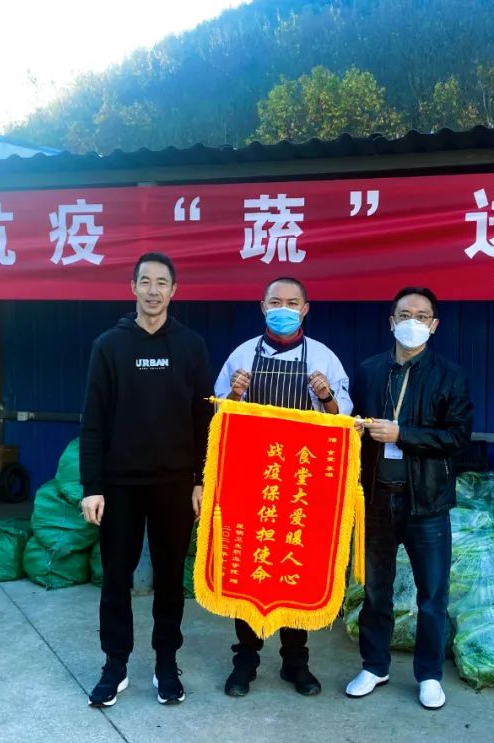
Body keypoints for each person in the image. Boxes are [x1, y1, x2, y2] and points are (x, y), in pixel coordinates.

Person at [79, 252, 213, 707]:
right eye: (146, 281)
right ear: (132, 287)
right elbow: (93, 421)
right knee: (116, 577)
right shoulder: (108, 345)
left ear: (174, 290)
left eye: (162, 283)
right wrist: (92, 487)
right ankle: (114, 665)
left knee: (171, 579)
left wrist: (200, 479)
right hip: (119, 485)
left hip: (174, 485)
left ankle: (166, 664)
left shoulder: (191, 345)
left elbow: (203, 420)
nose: (153, 290)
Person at [214, 277, 352, 697]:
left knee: (294, 569)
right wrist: (235, 395)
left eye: (293, 303)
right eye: (276, 302)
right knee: (249, 572)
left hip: (300, 484)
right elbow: (219, 419)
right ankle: (245, 662)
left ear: (305, 309)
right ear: (262, 306)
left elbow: (344, 420)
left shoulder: (324, 358)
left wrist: (325, 397)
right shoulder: (241, 355)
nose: (284, 309)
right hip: (251, 480)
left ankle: (296, 662)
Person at [344, 286, 472, 710]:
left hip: (427, 503)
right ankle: (374, 666)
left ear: (434, 325)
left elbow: (458, 437)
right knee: (375, 591)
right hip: (377, 498)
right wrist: (355, 428)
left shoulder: (449, 375)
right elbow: (350, 423)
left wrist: (403, 434)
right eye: (404, 314)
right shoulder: (369, 371)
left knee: (432, 596)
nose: (412, 322)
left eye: (421, 316)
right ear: (391, 322)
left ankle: (429, 675)